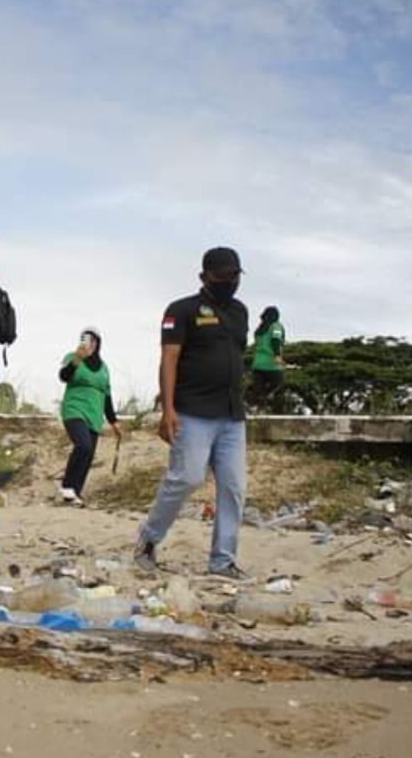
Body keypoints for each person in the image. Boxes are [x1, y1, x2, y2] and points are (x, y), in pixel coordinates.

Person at [134, 247, 250, 580]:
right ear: (204, 277)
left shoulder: (241, 312)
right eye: (222, 277)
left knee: (233, 487)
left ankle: (222, 561)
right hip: (192, 411)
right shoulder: (181, 310)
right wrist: (167, 409)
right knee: (186, 478)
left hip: (232, 415)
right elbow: (169, 359)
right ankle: (148, 540)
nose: (229, 282)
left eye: (234, 276)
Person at [57, 327, 121, 506]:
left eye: (92, 340)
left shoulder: (104, 368)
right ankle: (67, 486)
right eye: (85, 339)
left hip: (95, 415)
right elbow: (64, 376)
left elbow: (107, 395)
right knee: (83, 445)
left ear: (98, 343)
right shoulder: (72, 357)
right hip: (74, 409)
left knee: (88, 455)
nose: (88, 344)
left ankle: (74, 494)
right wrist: (78, 358)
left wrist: (113, 421)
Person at [250, 306, 286, 410]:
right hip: (272, 364)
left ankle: (258, 411)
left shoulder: (259, 329)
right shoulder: (276, 326)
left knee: (258, 392)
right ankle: (277, 413)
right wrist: (277, 356)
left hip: (258, 364)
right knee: (277, 391)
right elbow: (276, 340)